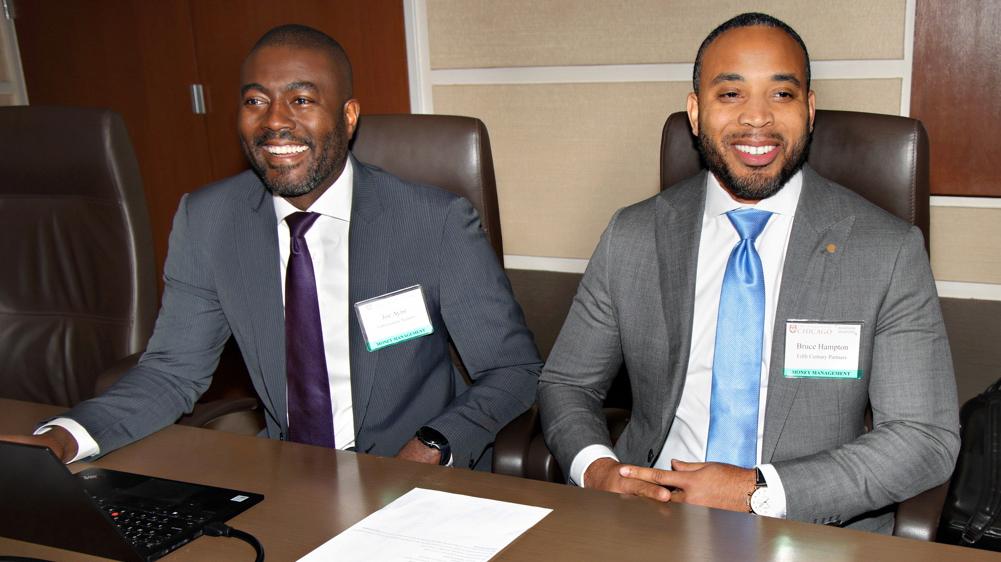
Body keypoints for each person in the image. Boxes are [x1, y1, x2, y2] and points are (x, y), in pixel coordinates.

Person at [5, 24, 541, 471]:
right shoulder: (208, 220)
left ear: (349, 117)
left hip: (408, 472)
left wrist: (435, 444)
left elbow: (512, 369)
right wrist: (65, 436)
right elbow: (172, 372)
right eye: (255, 101)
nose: (275, 121)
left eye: (302, 99)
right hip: (288, 474)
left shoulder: (434, 221)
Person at [538, 12, 959, 532]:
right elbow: (566, 384)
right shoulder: (634, 235)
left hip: (806, 528)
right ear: (695, 113)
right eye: (730, 94)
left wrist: (759, 492)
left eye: (781, 95)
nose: (757, 119)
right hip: (649, 519)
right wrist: (599, 471)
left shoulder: (887, 251)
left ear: (809, 110)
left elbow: (924, 437)